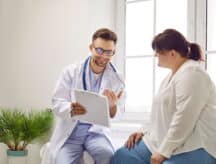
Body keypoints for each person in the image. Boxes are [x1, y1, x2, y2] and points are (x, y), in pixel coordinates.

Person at [111, 29, 216, 164]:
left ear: (172, 53)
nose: (155, 55)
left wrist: (163, 152)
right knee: (122, 156)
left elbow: (184, 119)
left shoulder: (193, 74)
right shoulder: (172, 76)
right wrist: (144, 131)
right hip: (164, 141)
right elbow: (159, 113)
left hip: (195, 145)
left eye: (158, 52)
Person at [40, 28, 125, 164]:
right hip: (72, 133)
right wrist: (70, 108)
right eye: (99, 50)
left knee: (107, 156)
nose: (104, 56)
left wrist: (113, 107)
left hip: (97, 133)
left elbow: (120, 113)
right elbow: (56, 103)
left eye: (109, 52)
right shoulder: (71, 72)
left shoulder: (117, 78)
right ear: (91, 47)